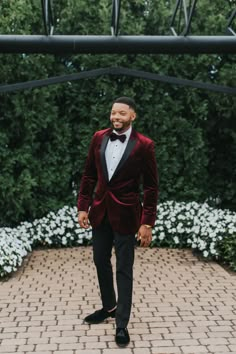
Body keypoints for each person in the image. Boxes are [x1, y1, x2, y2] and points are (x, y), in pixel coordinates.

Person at [78, 96, 158, 347]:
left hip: (127, 215)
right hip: (100, 211)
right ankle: (109, 307)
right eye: (113, 113)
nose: (116, 117)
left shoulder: (144, 145)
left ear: (133, 116)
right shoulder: (98, 137)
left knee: (124, 268)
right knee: (100, 259)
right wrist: (83, 206)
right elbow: (89, 174)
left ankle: (121, 323)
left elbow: (152, 187)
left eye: (122, 113)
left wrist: (147, 223)